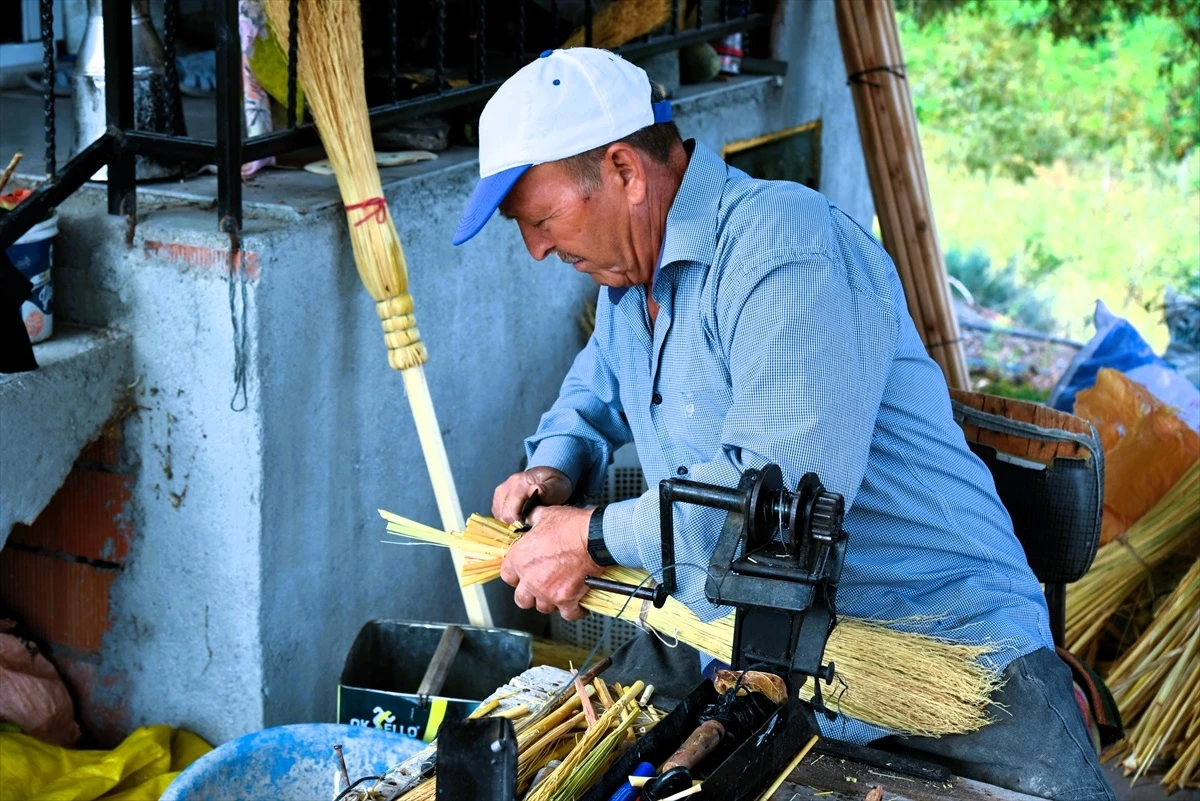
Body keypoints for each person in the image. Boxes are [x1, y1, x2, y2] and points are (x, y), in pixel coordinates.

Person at [452, 48, 1115, 801]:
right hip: (759, 642)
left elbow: (777, 506)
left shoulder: (785, 249)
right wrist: (555, 468)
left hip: (943, 646)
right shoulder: (629, 285)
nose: (537, 248)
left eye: (540, 220)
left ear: (624, 173)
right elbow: (592, 392)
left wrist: (591, 536)